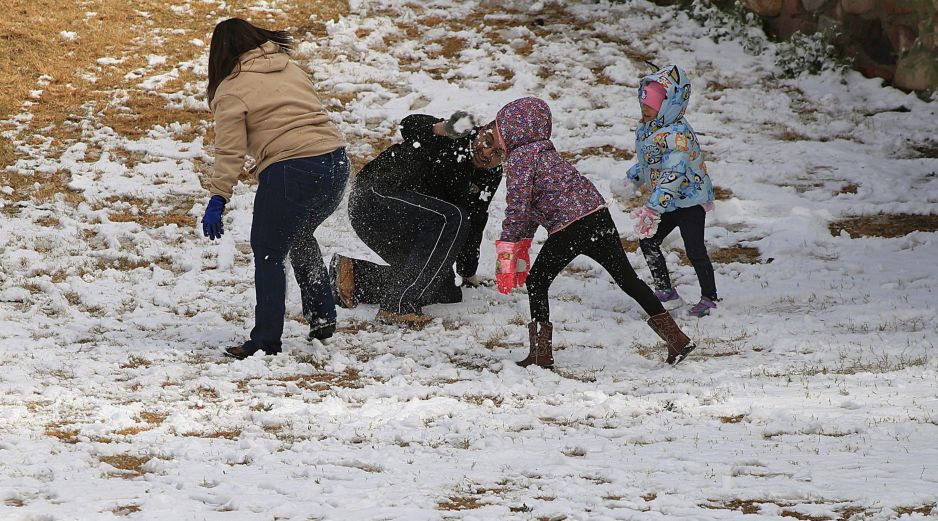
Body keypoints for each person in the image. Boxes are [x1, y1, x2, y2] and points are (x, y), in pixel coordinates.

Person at [492, 97, 696, 368]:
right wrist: (523, 239)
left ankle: (540, 354)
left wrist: (508, 245)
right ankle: (678, 339)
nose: (497, 135)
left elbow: (518, 204)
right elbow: (530, 207)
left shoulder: (521, 158)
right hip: (598, 215)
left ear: (513, 129)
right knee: (627, 279)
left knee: (538, 281)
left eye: (499, 128)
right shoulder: (544, 151)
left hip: (571, 226)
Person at [199, 18, 349, 359]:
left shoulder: (231, 88)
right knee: (298, 232)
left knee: (268, 250)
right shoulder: (288, 67)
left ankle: (265, 341)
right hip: (335, 162)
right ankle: (322, 314)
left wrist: (218, 197)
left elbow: (230, 152)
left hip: (291, 168)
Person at [333, 112, 503, 328]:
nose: (487, 152)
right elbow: (408, 125)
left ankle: (354, 275)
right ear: (480, 131)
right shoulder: (459, 134)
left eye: (498, 152)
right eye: (488, 142)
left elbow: (476, 219)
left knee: (443, 288)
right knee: (452, 218)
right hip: (375, 197)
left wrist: (467, 272)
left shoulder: (490, 174)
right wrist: (441, 128)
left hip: (414, 222)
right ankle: (398, 306)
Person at [625, 64, 718, 317]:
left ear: (669, 107)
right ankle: (666, 292)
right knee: (648, 241)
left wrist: (653, 207)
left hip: (689, 201)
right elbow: (652, 160)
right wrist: (633, 177)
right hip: (668, 202)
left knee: (695, 250)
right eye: (643, 105)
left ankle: (710, 298)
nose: (645, 111)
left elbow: (672, 175)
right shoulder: (651, 128)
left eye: (651, 107)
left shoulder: (678, 136)